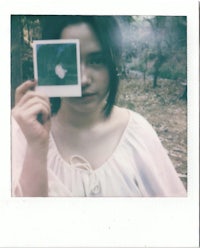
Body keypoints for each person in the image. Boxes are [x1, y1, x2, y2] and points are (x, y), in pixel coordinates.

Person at [11, 15, 186, 197]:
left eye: (97, 61)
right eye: (68, 62)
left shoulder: (138, 133)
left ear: (113, 63)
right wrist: (36, 147)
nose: (84, 80)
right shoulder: (22, 133)